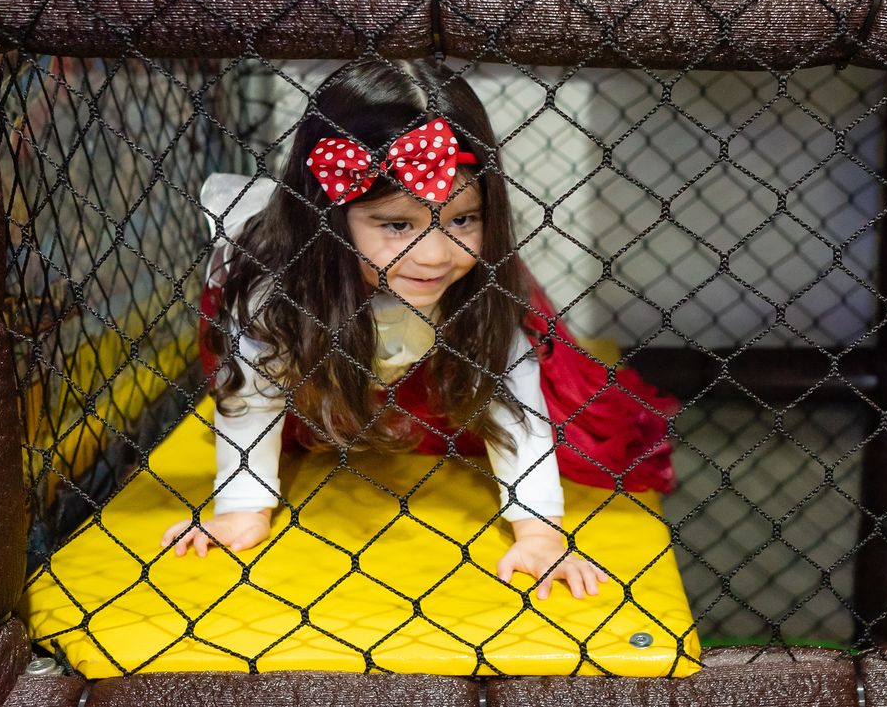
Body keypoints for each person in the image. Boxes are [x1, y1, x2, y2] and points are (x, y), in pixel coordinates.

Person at [160, 59, 676, 601]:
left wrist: (539, 531)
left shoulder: (469, 282)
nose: (434, 254)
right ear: (330, 216)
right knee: (303, 388)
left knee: (536, 403)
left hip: (437, 322)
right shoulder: (272, 286)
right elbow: (252, 391)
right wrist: (244, 509)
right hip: (321, 302)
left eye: (462, 220)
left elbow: (513, 395)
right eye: (397, 224)